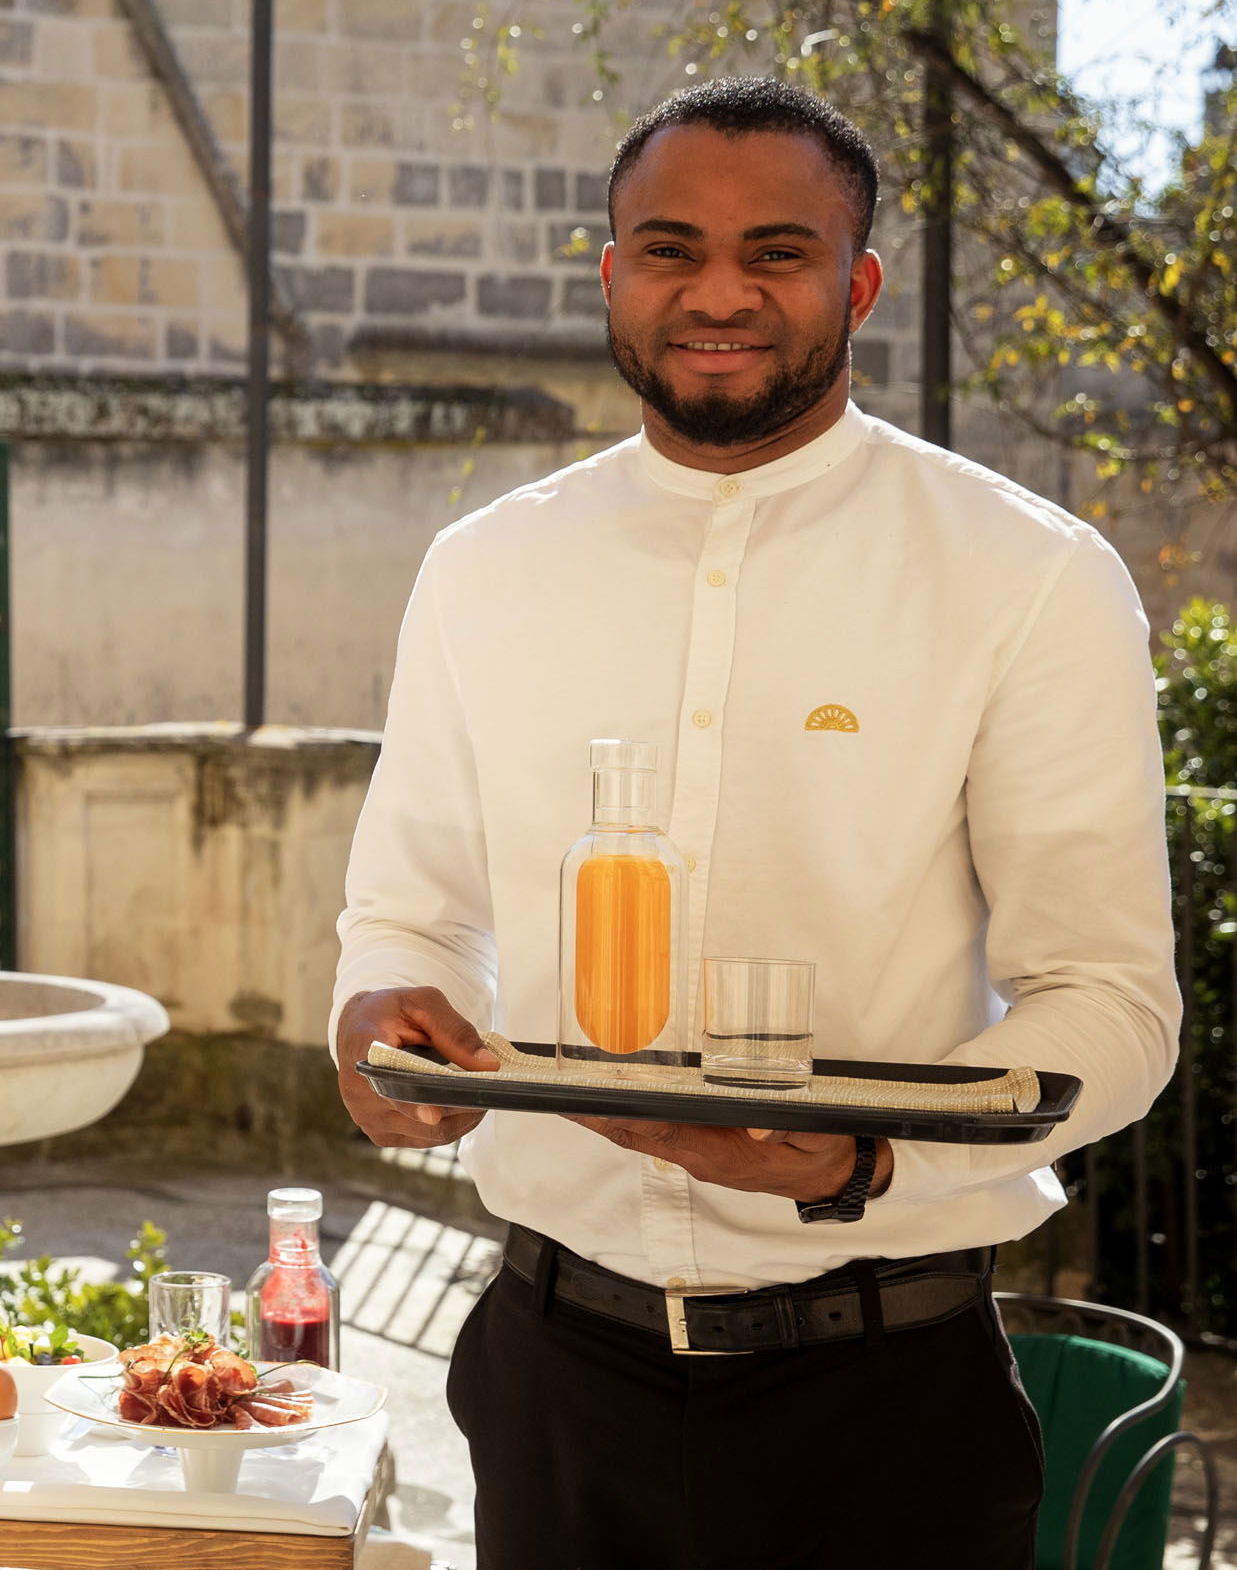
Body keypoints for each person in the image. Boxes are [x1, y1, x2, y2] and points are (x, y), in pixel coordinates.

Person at [329, 76, 1178, 1569]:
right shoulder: (484, 568)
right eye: (670, 248)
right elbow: (408, 912)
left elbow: (1110, 1005)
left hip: (886, 1394)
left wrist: (858, 1155)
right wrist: (376, 1027)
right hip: (551, 1372)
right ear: (611, 274)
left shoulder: (1028, 575)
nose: (718, 291)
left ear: (855, 284)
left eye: (776, 252)